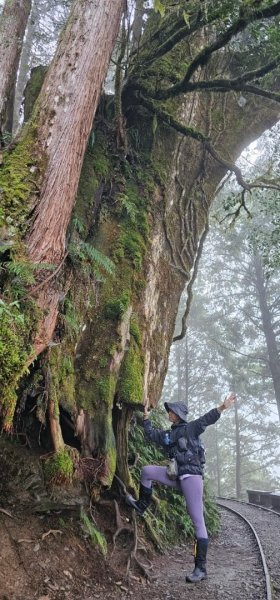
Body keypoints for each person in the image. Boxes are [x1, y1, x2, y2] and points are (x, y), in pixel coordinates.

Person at [126, 392, 236, 583]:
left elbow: (206, 419)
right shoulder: (169, 434)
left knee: (198, 522)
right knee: (147, 472)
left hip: (191, 478)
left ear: (178, 414)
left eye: (171, 411)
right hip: (176, 476)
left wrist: (222, 407)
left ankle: (200, 569)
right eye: (169, 411)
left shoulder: (191, 429)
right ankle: (142, 505)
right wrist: (145, 416)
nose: (168, 413)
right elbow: (151, 434)